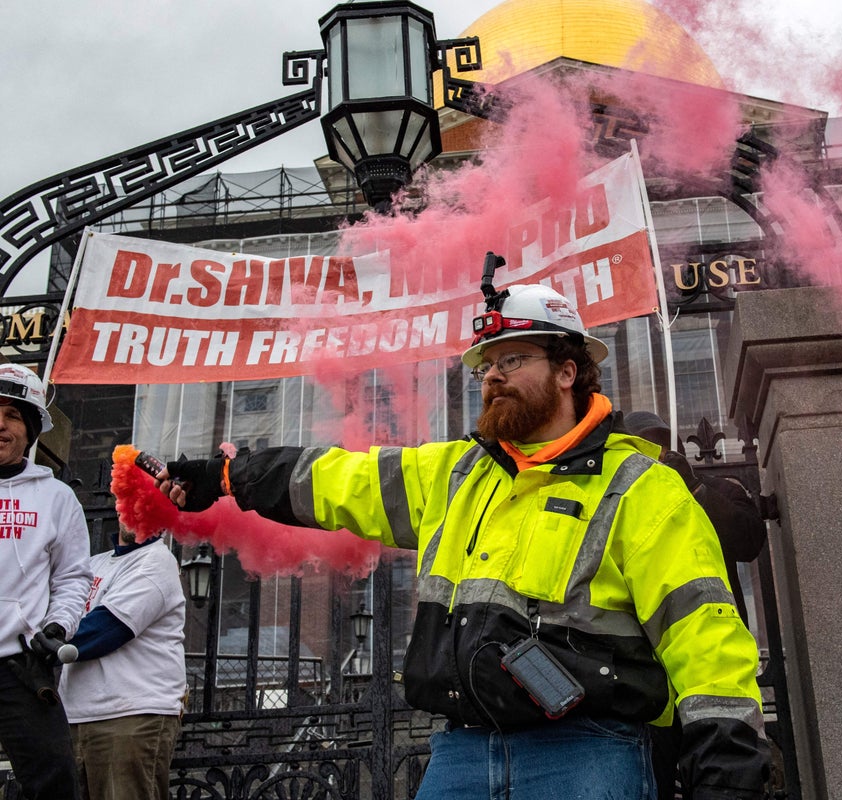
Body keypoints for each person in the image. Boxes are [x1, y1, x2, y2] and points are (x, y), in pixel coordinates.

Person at [157, 281, 769, 800]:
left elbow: (702, 628)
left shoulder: (640, 485)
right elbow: (337, 479)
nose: (492, 377)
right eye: (485, 366)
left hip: (588, 753)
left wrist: (727, 759)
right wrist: (225, 475)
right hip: (460, 752)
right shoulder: (453, 473)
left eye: (511, 360)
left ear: (567, 371)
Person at [622, 411, 768, 800]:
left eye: (659, 443)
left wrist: (693, 488)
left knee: (717, 772)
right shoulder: (620, 499)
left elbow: (748, 540)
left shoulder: (718, 488)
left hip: (706, 659)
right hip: (643, 670)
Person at [0, 362, 92, 800]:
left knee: (53, 783)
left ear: (31, 428)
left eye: (13, 415)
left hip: (22, 667)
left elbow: (74, 578)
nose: (0, 425)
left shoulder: (57, 498)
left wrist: (56, 629)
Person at [60, 523, 187, 800]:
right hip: (76, 715)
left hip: (131, 716)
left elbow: (107, 628)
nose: (133, 512)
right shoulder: (95, 564)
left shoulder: (157, 560)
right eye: (127, 500)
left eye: (145, 503)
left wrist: (49, 639)